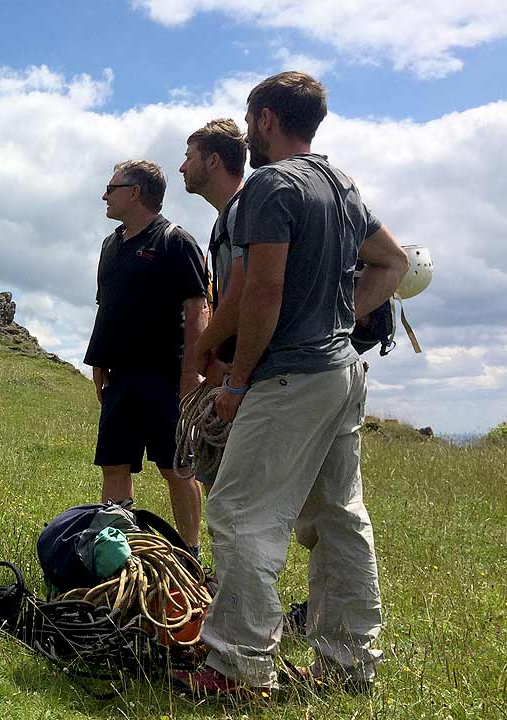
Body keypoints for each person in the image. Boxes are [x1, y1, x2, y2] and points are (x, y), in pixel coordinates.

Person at [176, 72, 409, 696]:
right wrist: (340, 318)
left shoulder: (272, 186)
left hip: (289, 378)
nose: (248, 130)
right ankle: (348, 662)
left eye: (251, 119)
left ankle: (238, 667)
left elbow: (263, 286)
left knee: (239, 513)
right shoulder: (342, 185)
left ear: (267, 119)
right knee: (339, 516)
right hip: (342, 373)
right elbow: (395, 263)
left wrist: (238, 380)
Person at [83, 160, 210, 554]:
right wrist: (100, 363)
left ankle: (190, 554)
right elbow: (107, 305)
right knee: (114, 464)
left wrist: (191, 375)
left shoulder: (175, 241)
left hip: (166, 376)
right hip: (121, 377)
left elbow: (198, 310)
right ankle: (117, 557)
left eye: (111, 187)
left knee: (176, 468)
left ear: (135, 192)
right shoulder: (110, 244)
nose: (105, 195)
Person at [178, 118, 248, 487]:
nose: (182, 166)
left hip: (241, 377)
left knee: (232, 500)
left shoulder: (241, 214)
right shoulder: (227, 219)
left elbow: (241, 294)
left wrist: (206, 353)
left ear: (214, 161)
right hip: (231, 370)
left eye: (189, 156)